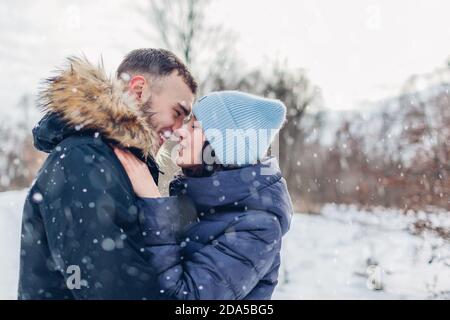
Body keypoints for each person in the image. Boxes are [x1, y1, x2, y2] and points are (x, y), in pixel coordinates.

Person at [18, 48, 197, 299]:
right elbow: (112, 289)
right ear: (138, 90)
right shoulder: (83, 159)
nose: (179, 131)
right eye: (178, 113)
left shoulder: (116, 161)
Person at [115, 91, 293, 299]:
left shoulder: (259, 228)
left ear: (222, 148)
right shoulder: (198, 203)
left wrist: (154, 203)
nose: (180, 132)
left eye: (194, 127)